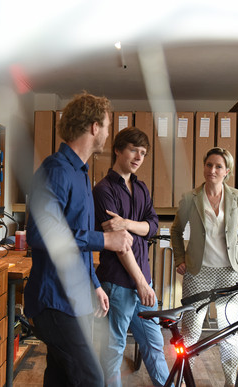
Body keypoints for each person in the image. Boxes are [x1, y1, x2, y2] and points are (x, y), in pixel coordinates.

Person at [24, 92, 134, 387]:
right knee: (91, 378)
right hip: (55, 302)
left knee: (60, 378)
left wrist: (94, 284)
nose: (109, 133)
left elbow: (75, 244)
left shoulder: (81, 173)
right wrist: (105, 240)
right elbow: (39, 233)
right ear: (94, 127)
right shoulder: (56, 169)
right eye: (108, 126)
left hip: (75, 297)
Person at [170, 147, 238, 387]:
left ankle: (231, 382)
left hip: (231, 273)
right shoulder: (190, 198)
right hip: (199, 273)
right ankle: (184, 381)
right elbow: (176, 231)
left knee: (228, 331)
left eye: (218, 166)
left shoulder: (237, 197)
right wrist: (179, 259)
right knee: (191, 332)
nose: (212, 170)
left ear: (227, 171)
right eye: (209, 165)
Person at [93, 127, 169, 387]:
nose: (139, 157)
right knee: (113, 350)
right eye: (134, 150)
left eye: (144, 153)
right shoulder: (103, 190)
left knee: (155, 346)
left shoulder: (141, 188)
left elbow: (153, 226)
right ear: (118, 149)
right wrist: (140, 282)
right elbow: (119, 244)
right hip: (118, 284)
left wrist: (126, 222)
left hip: (142, 284)